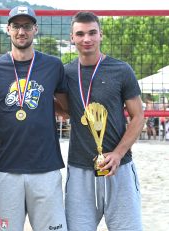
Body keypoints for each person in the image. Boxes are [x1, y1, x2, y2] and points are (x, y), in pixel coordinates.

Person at [0, 5, 68, 231]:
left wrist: (43, 101)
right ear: (8, 29)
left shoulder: (53, 65)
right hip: (7, 169)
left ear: (35, 29)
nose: (22, 31)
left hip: (46, 168)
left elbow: (66, 108)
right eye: (17, 26)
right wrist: (1, 139)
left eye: (27, 26)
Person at [64, 12, 144, 230]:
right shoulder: (66, 73)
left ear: (101, 35)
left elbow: (138, 117)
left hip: (119, 167)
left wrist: (118, 154)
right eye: (80, 34)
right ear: (72, 37)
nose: (86, 39)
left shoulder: (121, 69)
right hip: (80, 170)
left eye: (92, 33)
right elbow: (62, 110)